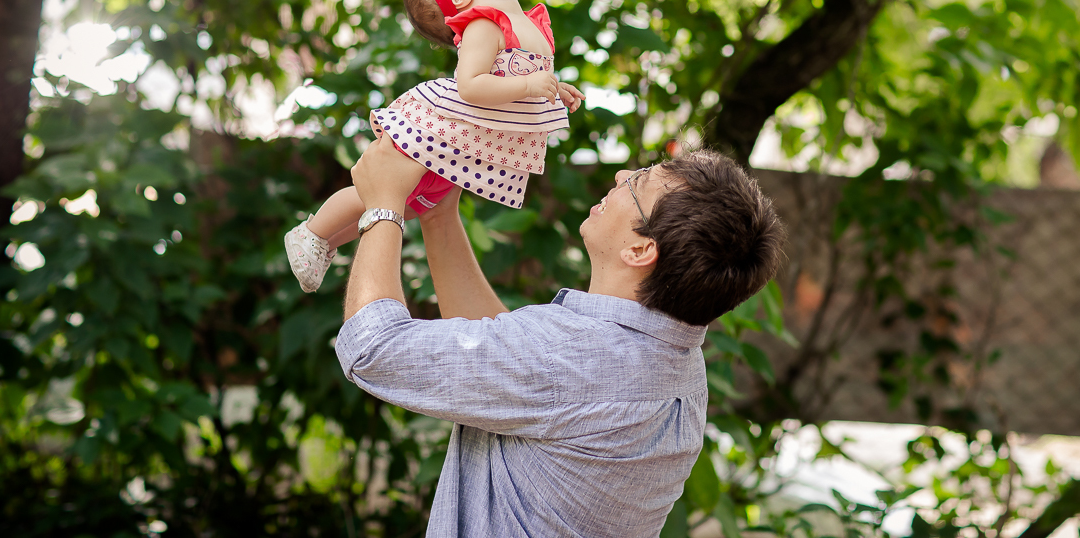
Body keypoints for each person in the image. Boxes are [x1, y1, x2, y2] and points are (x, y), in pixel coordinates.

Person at [335, 135, 786, 538]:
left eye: (640, 181)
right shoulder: (677, 365)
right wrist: (438, 216)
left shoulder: (569, 355)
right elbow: (510, 366)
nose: (622, 174)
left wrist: (383, 206)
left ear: (640, 249)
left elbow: (372, 349)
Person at [285, 0, 586, 292]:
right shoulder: (486, 26)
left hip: (462, 146)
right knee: (375, 191)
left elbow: (520, 78)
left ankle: (327, 244)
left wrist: (551, 89)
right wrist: (529, 87)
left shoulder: (529, 25)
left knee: (412, 207)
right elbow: (471, 85)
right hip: (439, 131)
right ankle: (312, 232)